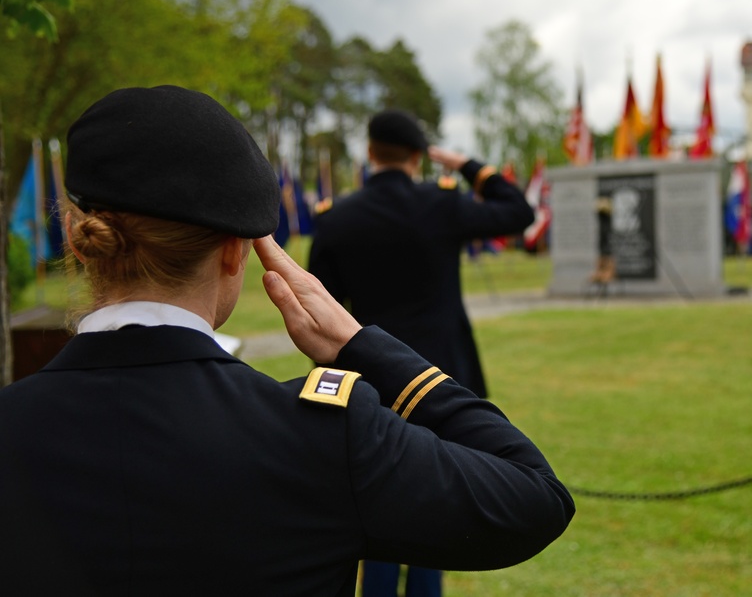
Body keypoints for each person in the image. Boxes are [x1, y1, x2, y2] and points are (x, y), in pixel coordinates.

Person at [0, 86, 574, 597]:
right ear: (235, 250)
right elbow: (534, 498)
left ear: (80, 244)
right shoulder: (323, 431)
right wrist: (359, 347)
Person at [308, 109, 536, 597]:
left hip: (366, 379)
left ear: (369, 153)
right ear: (418, 156)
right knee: (436, 500)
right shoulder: (442, 203)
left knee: (377, 500)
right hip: (440, 381)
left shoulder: (336, 217)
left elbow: (319, 316)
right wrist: (469, 165)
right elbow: (519, 212)